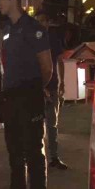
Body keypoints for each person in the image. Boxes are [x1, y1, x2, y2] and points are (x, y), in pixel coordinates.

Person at [0, 0, 52, 189]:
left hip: (28, 96)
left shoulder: (33, 28)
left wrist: (34, 89)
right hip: (11, 97)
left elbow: (46, 68)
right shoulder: (8, 29)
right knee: (14, 149)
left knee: (33, 150)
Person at [35, 11, 68, 170]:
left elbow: (60, 61)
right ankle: (38, 157)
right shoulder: (32, 39)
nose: (41, 24)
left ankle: (53, 157)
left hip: (51, 86)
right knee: (37, 124)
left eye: (43, 20)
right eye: (38, 21)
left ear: (48, 22)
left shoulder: (52, 39)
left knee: (52, 124)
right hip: (36, 87)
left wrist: (62, 82)